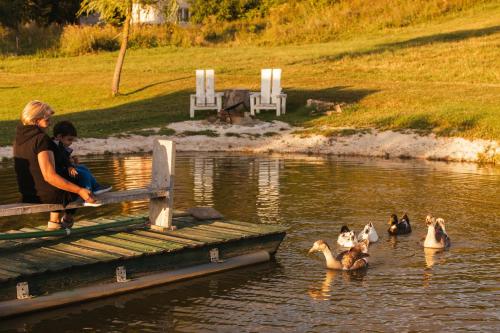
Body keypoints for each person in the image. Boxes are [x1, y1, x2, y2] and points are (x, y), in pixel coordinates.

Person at [13, 100, 96, 230]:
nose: (50, 123)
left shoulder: (18, 139)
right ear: (36, 120)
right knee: (79, 178)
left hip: (27, 193)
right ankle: (67, 219)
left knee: (70, 173)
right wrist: (80, 190)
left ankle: (55, 223)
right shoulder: (41, 139)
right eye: (47, 119)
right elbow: (49, 176)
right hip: (46, 195)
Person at [52, 120, 112, 196]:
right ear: (59, 137)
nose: (71, 143)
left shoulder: (59, 145)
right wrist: (70, 166)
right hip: (61, 172)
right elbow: (61, 158)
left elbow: (64, 158)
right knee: (83, 174)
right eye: (69, 139)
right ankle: (88, 191)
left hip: (65, 168)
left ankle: (96, 187)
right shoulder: (55, 146)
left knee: (83, 167)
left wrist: (73, 163)